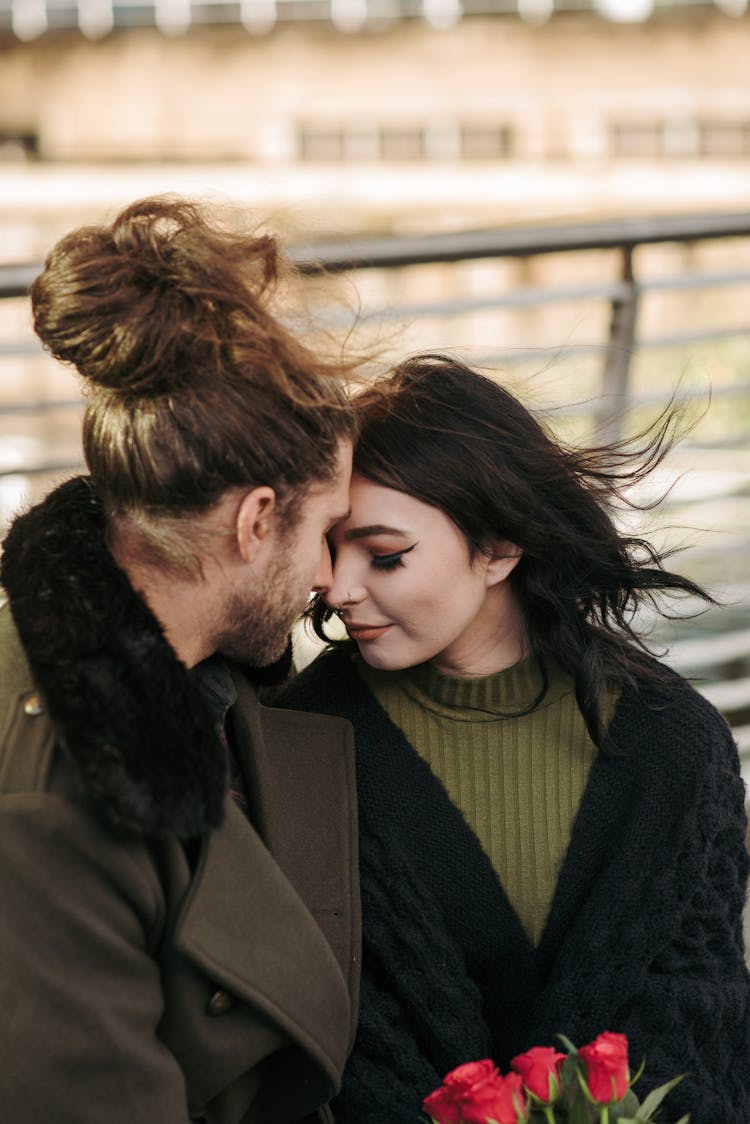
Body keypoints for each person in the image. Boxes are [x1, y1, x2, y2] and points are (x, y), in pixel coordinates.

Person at [274, 353, 750, 1124]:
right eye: (332, 547)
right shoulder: (298, 741)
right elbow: (319, 1034)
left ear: (498, 548)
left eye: (385, 554)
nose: (338, 588)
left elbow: (701, 1012)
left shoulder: (675, 745)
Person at [0, 196, 362, 1124]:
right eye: (325, 535)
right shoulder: (48, 802)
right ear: (254, 523)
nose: (330, 579)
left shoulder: (200, 682)